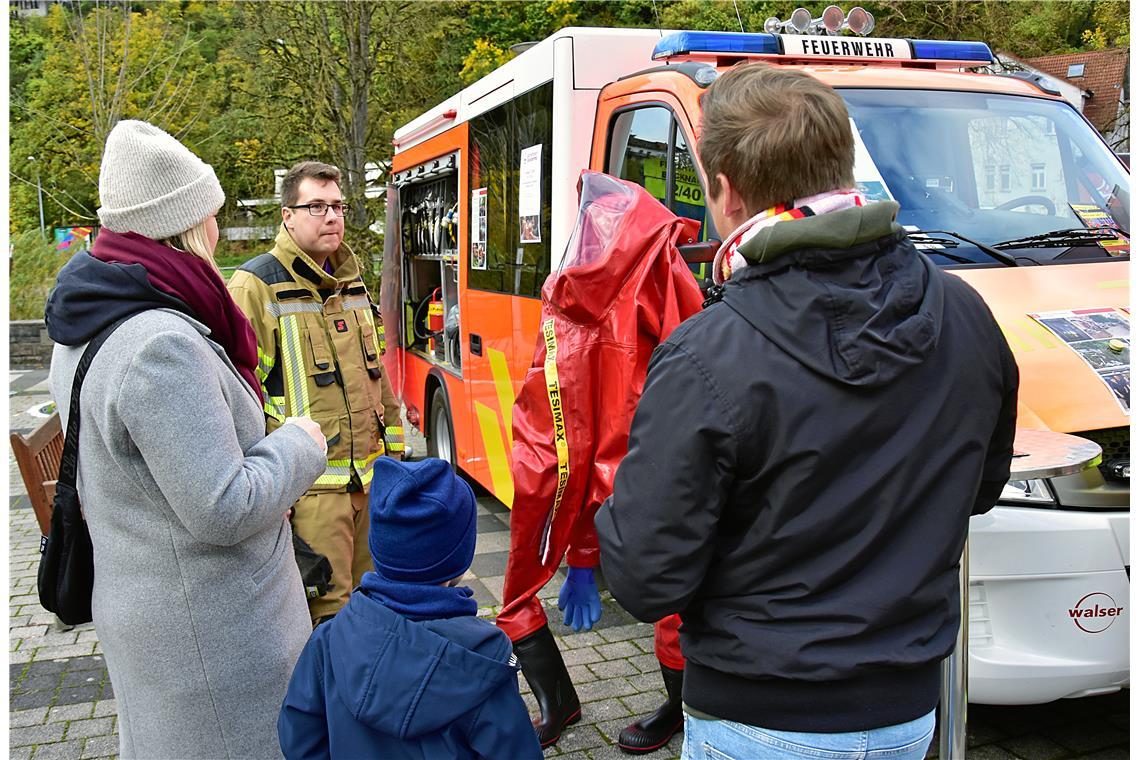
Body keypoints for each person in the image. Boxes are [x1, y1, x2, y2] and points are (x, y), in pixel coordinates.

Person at [595, 64, 1019, 760]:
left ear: (725, 190)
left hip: (757, 711)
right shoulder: (966, 313)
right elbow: (977, 488)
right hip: (908, 710)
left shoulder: (708, 352)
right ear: (838, 164)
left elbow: (647, 577)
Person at [44, 120, 328, 759]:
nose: (219, 232)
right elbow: (222, 507)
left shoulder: (89, 319)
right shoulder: (160, 346)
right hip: (211, 642)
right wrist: (302, 444)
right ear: (183, 224)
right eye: (212, 216)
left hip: (154, 614)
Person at [497, 173, 702, 750]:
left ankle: (578, 704)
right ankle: (667, 708)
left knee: (521, 583)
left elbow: (562, 439)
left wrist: (581, 556)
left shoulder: (580, 300)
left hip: (633, 461)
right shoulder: (664, 272)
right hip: (652, 464)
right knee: (678, 590)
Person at [229, 161, 405, 625]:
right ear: (287, 216)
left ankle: (369, 697)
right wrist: (268, 489)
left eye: (337, 206)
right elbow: (238, 394)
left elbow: (378, 374)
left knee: (377, 602)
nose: (332, 217)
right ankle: (327, 699)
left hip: (370, 484)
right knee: (327, 615)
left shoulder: (350, 282)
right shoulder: (256, 286)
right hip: (308, 492)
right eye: (317, 206)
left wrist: (396, 460)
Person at [278, 457, 542, 760]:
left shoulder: (326, 641)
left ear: (378, 546)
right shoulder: (480, 663)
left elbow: (298, 739)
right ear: (459, 559)